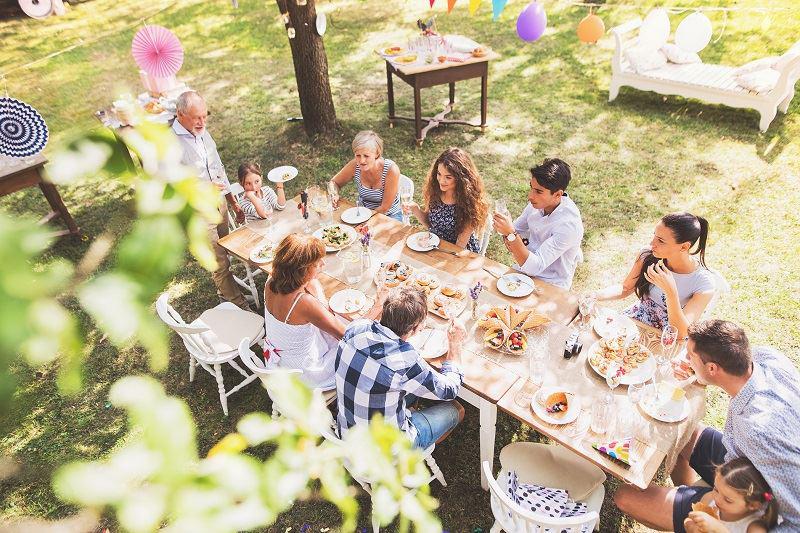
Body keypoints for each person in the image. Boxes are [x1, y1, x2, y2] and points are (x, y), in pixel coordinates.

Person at [613, 319, 800, 533]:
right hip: (741, 461)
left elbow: (796, 522)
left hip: (753, 505)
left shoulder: (759, 432)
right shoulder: (768, 358)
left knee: (625, 497)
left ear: (712, 368)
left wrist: (720, 529)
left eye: (690, 356)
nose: (686, 359)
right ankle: (692, 493)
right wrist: (698, 374)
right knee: (682, 430)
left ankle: (696, 514)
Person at [335, 286, 466, 448]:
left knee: (409, 388)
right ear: (417, 328)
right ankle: (418, 444)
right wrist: (455, 343)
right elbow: (450, 390)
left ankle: (407, 414)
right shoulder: (406, 361)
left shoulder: (355, 328)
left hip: (347, 437)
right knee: (456, 409)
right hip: (383, 457)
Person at [264, 233, 385, 390]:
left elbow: (316, 302)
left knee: (339, 320)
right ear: (302, 269)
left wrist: (312, 282)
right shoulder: (302, 303)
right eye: (317, 263)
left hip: (283, 360)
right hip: (305, 373)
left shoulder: (271, 281)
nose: (323, 265)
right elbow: (350, 336)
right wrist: (378, 305)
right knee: (363, 346)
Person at [172, 90, 248, 309]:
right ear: (180, 115)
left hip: (219, 203)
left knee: (227, 249)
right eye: (196, 117)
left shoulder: (203, 133)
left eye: (205, 116)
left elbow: (218, 168)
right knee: (219, 262)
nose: (202, 121)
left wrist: (232, 201)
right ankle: (238, 305)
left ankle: (226, 291)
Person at [592, 212, 715, 338]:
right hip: (635, 322)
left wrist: (670, 291)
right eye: (654, 236)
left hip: (667, 337)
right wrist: (594, 296)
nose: (652, 243)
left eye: (660, 241)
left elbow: (682, 333)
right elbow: (626, 288)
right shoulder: (648, 256)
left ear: (684, 246)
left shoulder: (703, 284)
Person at [492, 158, 584, 289]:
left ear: (558, 194)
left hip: (551, 284)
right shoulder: (537, 204)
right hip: (524, 270)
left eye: (538, 191)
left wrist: (511, 234)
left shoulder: (569, 226)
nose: (530, 196)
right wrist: (507, 231)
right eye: (531, 188)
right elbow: (515, 230)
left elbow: (534, 266)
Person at [402, 147, 488, 253]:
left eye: (448, 177)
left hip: (457, 253)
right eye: (439, 174)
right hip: (434, 245)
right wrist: (415, 209)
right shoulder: (435, 191)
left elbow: (459, 246)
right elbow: (430, 224)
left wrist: (437, 255)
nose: (441, 181)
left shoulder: (469, 204)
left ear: (461, 179)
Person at [684, 457, 778, 533]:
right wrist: (691, 527)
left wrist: (718, 529)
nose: (717, 499)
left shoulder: (754, 527)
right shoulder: (710, 503)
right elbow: (689, 519)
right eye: (716, 490)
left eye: (728, 500)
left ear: (752, 505)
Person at [329, 130, 403, 221]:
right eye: (358, 155)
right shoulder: (354, 165)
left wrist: (363, 220)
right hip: (362, 213)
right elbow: (334, 182)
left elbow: (385, 208)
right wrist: (334, 194)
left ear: (377, 154)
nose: (361, 161)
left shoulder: (391, 170)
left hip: (389, 216)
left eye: (366, 156)